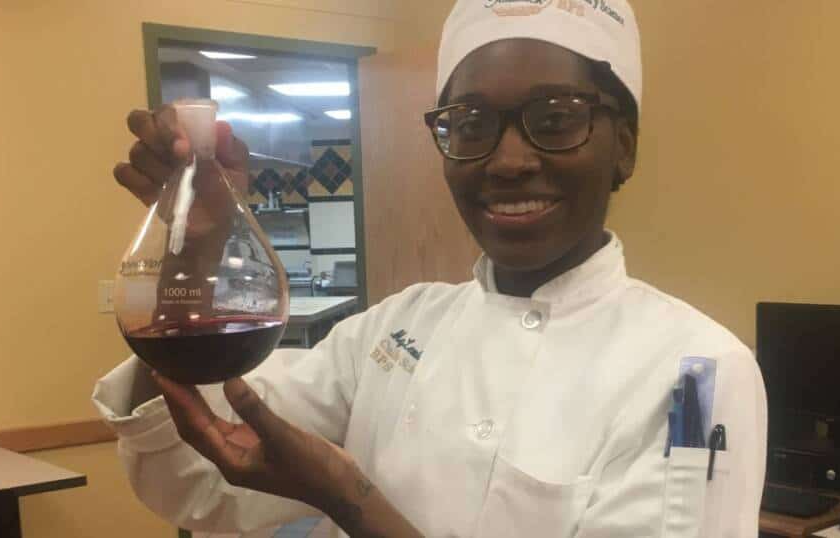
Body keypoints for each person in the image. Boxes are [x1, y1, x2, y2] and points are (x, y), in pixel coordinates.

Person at [94, 2, 767, 537]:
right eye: (470, 124)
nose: (507, 161)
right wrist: (199, 245)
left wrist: (351, 502)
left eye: (555, 119)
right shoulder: (394, 331)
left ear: (623, 147)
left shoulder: (695, 373)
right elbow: (195, 483)